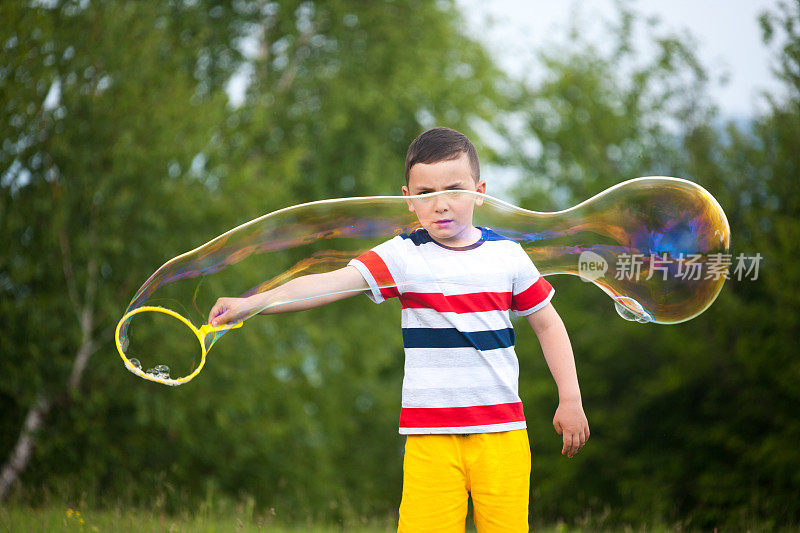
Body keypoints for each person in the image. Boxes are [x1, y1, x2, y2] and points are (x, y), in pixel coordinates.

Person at [208, 127, 590, 532]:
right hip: (430, 437)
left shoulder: (508, 257)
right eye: (425, 193)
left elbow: (548, 324)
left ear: (479, 191)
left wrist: (571, 398)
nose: (440, 204)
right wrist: (254, 303)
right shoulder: (403, 256)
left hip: (502, 435)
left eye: (454, 190)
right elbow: (327, 283)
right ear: (408, 199)